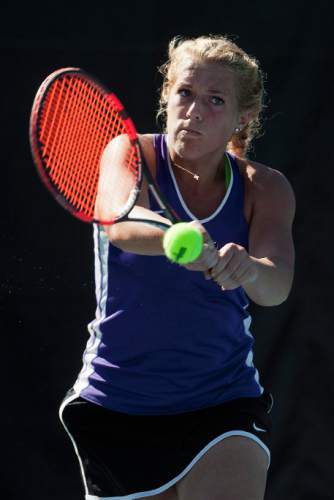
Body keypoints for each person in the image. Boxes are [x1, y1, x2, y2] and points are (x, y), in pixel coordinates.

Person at [59, 35, 295, 500]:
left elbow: (277, 283)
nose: (194, 111)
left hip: (222, 399)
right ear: (166, 95)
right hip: (117, 401)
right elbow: (120, 222)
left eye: (215, 100)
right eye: (185, 93)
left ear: (241, 117)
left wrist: (247, 269)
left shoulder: (264, 188)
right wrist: (179, 239)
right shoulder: (127, 154)